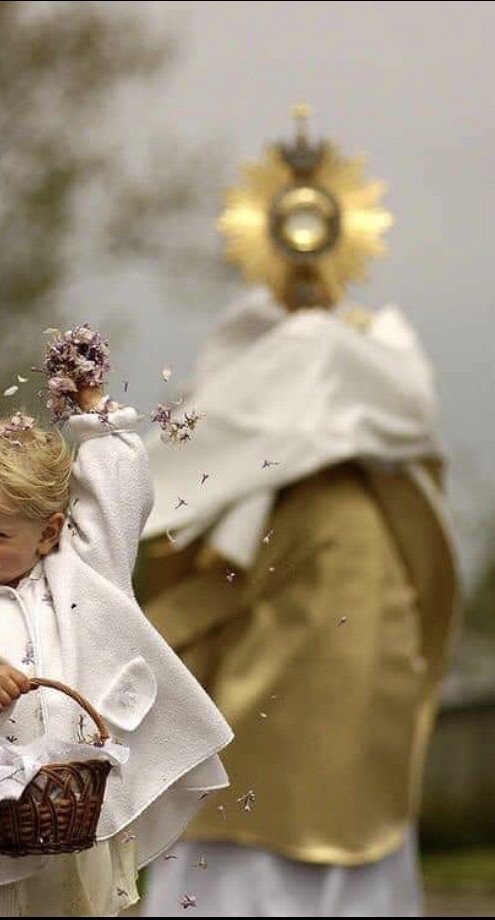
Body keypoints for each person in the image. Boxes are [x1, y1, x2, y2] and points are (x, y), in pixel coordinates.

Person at [139, 116, 461, 918]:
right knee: (238, 746)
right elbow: (213, 442)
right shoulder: (246, 343)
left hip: (358, 569)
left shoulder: (372, 340)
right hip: (252, 577)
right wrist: (293, 377)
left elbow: (407, 408)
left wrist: (316, 362)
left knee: (349, 761)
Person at [0, 331, 233, 918]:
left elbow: (120, 494)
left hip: (75, 820)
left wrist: (93, 411)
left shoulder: (82, 575)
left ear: (49, 532)